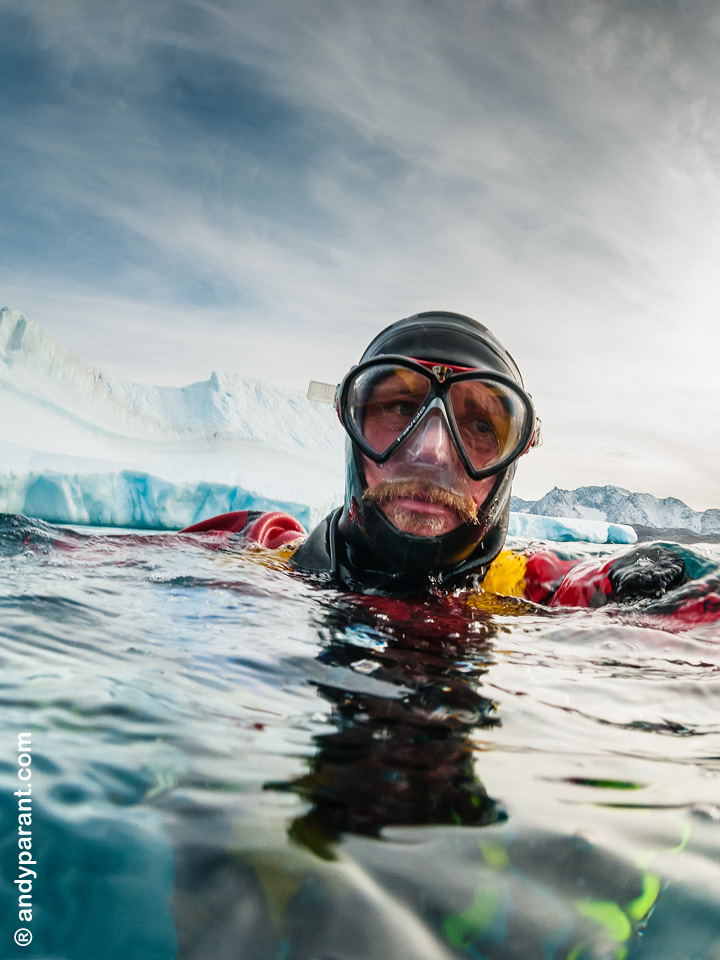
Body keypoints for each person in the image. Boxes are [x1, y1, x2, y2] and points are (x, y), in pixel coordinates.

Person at [182, 311, 706, 614]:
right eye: (399, 407)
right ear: (351, 424)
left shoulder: (533, 585)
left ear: (514, 457)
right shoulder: (255, 550)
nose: (431, 451)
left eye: (480, 424)